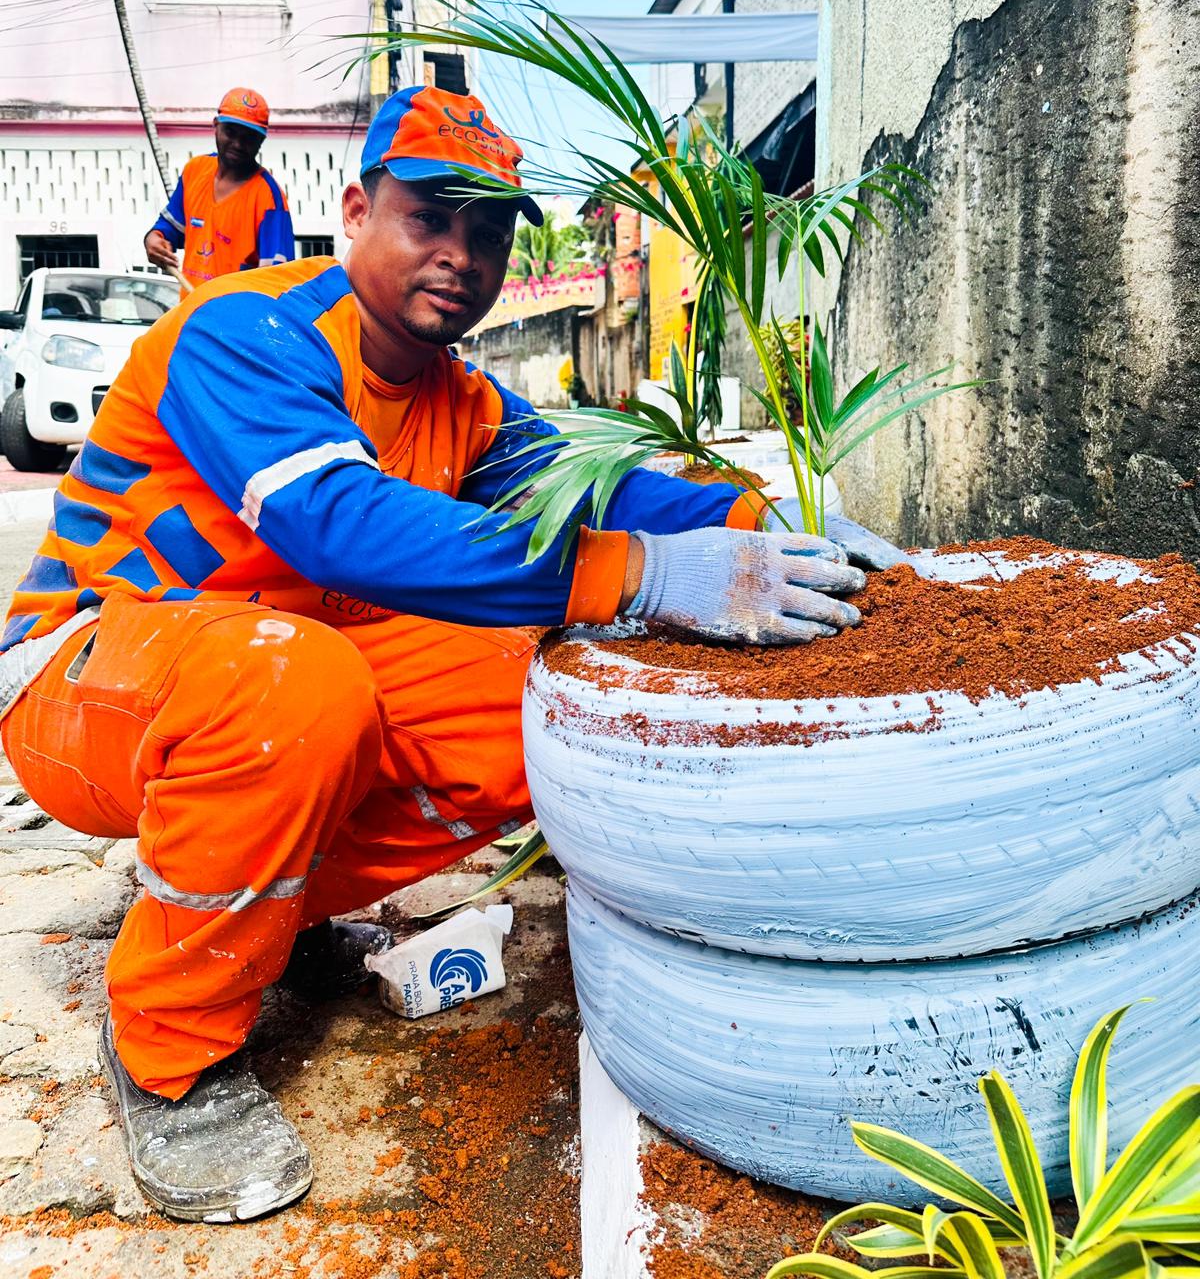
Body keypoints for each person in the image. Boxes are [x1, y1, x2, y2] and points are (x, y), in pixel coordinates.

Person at [0, 84, 900, 1224]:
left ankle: (253, 920)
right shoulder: (245, 330)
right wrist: (640, 575)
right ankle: (166, 1047)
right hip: (84, 683)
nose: (461, 255)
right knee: (296, 682)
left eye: (490, 230)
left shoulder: (465, 402)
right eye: (431, 217)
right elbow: (335, 520)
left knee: (540, 692)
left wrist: (759, 521)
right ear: (356, 208)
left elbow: (611, 487)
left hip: (269, 673)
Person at [145, 87, 294, 289]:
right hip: (191, 312)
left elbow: (277, 282)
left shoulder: (269, 198)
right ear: (216, 126)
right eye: (230, 132)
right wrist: (154, 239)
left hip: (233, 320)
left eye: (248, 137)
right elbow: (171, 228)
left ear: (261, 140)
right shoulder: (195, 171)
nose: (238, 144)